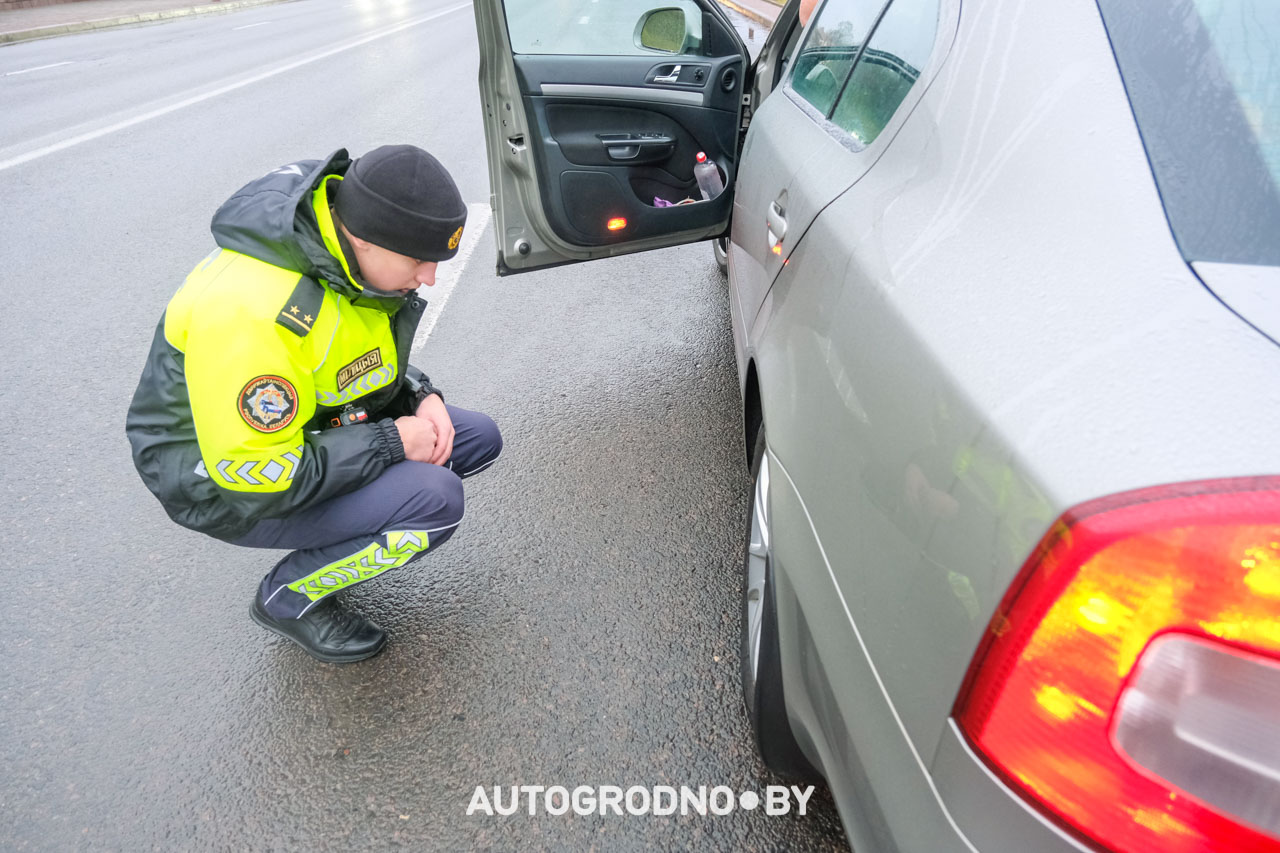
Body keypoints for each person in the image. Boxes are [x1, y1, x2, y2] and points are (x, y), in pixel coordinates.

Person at [126, 145, 502, 664]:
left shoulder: (337, 254)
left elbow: (349, 360)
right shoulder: (253, 314)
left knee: (472, 437)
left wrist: (421, 396)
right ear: (367, 241)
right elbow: (256, 472)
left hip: (305, 431)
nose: (430, 277)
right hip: (224, 483)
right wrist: (392, 442)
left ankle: (358, 529)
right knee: (434, 501)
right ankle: (288, 599)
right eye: (420, 260)